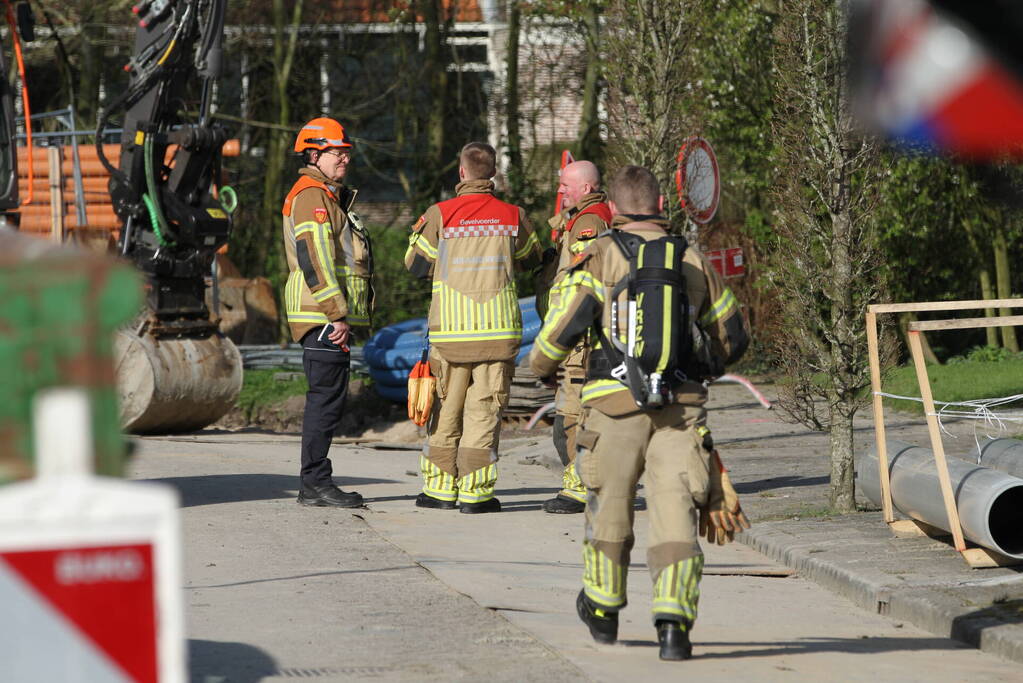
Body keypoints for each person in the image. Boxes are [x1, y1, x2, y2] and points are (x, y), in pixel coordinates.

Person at [528, 165, 750, 660]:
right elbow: (734, 336)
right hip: (680, 409)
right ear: (661, 206)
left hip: (612, 407)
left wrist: (540, 365)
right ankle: (674, 626)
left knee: (610, 506)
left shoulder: (600, 255)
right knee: (675, 513)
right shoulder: (691, 258)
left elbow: (561, 330)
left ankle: (603, 610)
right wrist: (699, 371)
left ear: (614, 209)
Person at [405, 142, 542, 513]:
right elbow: (533, 258)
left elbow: (415, 265)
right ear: (493, 173)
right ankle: (475, 495)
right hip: (497, 334)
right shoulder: (513, 215)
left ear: (461, 172)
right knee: (484, 413)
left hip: (450, 335)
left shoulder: (440, 214)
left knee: (446, 411)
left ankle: (439, 490)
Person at [282, 117, 373, 508]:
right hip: (321, 315)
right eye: (337, 152)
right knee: (325, 401)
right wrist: (336, 313)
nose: (344, 159)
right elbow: (314, 257)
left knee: (329, 399)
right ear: (313, 155)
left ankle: (315, 482)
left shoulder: (327, 196)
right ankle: (315, 484)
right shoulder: (312, 196)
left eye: (346, 153)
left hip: (324, 314)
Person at [539, 160, 611, 514]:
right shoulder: (580, 218)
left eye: (565, 185)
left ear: (586, 188)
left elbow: (583, 285)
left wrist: (565, 336)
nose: (560, 190)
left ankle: (579, 489)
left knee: (572, 417)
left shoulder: (589, 222)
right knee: (572, 416)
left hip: (579, 341)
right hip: (578, 338)